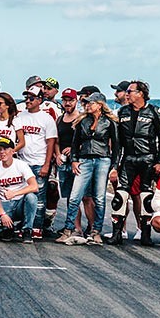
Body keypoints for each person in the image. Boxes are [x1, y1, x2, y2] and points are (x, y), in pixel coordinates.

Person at [109, 80, 160, 246]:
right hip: (128, 158)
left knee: (146, 195)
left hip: (147, 158)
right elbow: (117, 141)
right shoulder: (122, 112)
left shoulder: (155, 111)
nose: (127, 94)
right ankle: (117, 232)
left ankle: (145, 233)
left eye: (130, 91)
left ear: (141, 93)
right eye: (127, 91)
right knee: (120, 195)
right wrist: (114, 166)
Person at [58, 92, 119, 246]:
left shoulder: (109, 123)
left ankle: (95, 231)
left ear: (100, 105)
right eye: (86, 103)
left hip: (103, 159)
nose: (87, 105)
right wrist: (74, 160)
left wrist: (114, 166)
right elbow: (74, 143)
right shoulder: (82, 121)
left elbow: (116, 146)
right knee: (74, 196)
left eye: (91, 103)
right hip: (84, 159)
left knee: (99, 197)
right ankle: (68, 229)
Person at [15, 86, 57, 238]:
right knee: (24, 195)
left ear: (40, 100)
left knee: (39, 197)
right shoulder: (20, 116)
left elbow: (51, 143)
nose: (28, 100)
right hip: (22, 162)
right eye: (26, 97)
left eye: (31, 98)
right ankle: (25, 225)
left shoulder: (46, 118)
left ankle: (37, 226)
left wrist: (47, 165)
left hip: (39, 162)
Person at [0, 137, 40, 243]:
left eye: (6, 149)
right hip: (5, 204)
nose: (2, 152)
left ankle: (27, 230)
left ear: (12, 151)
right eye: (0, 149)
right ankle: (9, 228)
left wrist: (15, 193)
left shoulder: (21, 165)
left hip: (21, 203)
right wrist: (3, 214)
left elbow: (34, 186)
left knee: (32, 197)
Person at [56, 88, 94, 238]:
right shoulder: (59, 119)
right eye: (65, 100)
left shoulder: (82, 118)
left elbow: (87, 140)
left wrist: (73, 149)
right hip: (64, 163)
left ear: (76, 101)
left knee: (85, 197)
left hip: (79, 161)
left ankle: (93, 228)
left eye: (70, 100)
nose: (67, 103)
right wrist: (57, 154)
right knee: (70, 197)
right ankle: (76, 227)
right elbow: (56, 140)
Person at [0, 92, 24, 157]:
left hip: (10, 156)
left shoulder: (15, 120)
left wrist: (11, 152)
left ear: (7, 105)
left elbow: (22, 142)